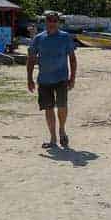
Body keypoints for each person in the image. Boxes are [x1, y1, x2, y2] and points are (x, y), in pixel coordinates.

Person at [27, 11, 77, 149]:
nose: (52, 23)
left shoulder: (65, 37)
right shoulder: (38, 38)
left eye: (55, 20)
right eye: (49, 20)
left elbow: (72, 58)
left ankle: (62, 129)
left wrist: (72, 78)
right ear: (45, 22)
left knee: (62, 106)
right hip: (44, 79)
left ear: (58, 22)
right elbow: (31, 59)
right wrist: (29, 79)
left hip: (61, 78)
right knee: (48, 108)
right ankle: (53, 138)